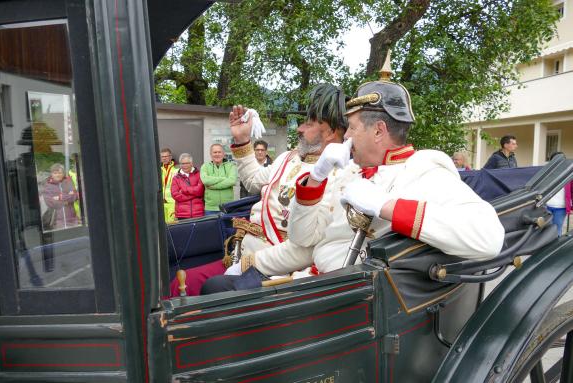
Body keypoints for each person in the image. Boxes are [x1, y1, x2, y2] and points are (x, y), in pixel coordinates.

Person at [204, 80, 504, 291]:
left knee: (214, 294)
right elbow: (302, 236)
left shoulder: (423, 168)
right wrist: (316, 179)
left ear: (378, 130)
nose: (345, 136)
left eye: (352, 128)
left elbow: (488, 237)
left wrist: (385, 207)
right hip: (315, 283)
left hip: (342, 299)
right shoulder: (355, 172)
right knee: (214, 290)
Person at [170, 83, 348, 297]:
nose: (300, 129)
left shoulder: (339, 175)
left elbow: (306, 250)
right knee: (181, 284)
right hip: (241, 252)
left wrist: (247, 264)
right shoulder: (289, 158)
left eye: (308, 124)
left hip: (274, 271)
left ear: (330, 132)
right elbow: (253, 180)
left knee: (209, 289)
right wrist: (242, 140)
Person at [201, 144, 238, 215]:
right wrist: (223, 179)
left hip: (227, 207)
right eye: (215, 152)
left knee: (227, 226)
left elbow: (232, 181)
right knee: (211, 226)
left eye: (219, 152)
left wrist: (212, 186)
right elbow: (205, 180)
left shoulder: (231, 166)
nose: (217, 154)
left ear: (223, 153)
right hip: (210, 208)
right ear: (210, 154)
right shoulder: (205, 166)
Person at [42, 163, 79, 230]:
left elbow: (75, 196)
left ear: (63, 173)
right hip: (57, 221)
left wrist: (60, 197)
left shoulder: (68, 182)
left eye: (60, 173)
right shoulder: (47, 185)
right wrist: (67, 201)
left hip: (72, 219)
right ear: (52, 174)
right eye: (55, 173)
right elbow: (50, 203)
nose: (58, 175)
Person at [545, 152, 573, 236]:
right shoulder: (545, 173)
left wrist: (571, 206)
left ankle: (555, 248)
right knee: (545, 231)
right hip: (546, 207)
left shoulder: (568, 174)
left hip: (561, 208)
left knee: (557, 229)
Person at [171, 153, 205, 219]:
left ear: (191, 163)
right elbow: (175, 195)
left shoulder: (199, 174)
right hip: (182, 214)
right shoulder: (176, 178)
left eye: (187, 163)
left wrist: (183, 190)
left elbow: (200, 191)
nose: (184, 165)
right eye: (182, 163)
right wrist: (195, 194)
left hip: (198, 213)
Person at [160, 148, 177, 223]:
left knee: (172, 226)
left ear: (170, 157)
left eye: (166, 156)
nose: (164, 158)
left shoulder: (177, 169)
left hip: (172, 203)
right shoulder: (159, 170)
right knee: (163, 226)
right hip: (162, 203)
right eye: (162, 157)